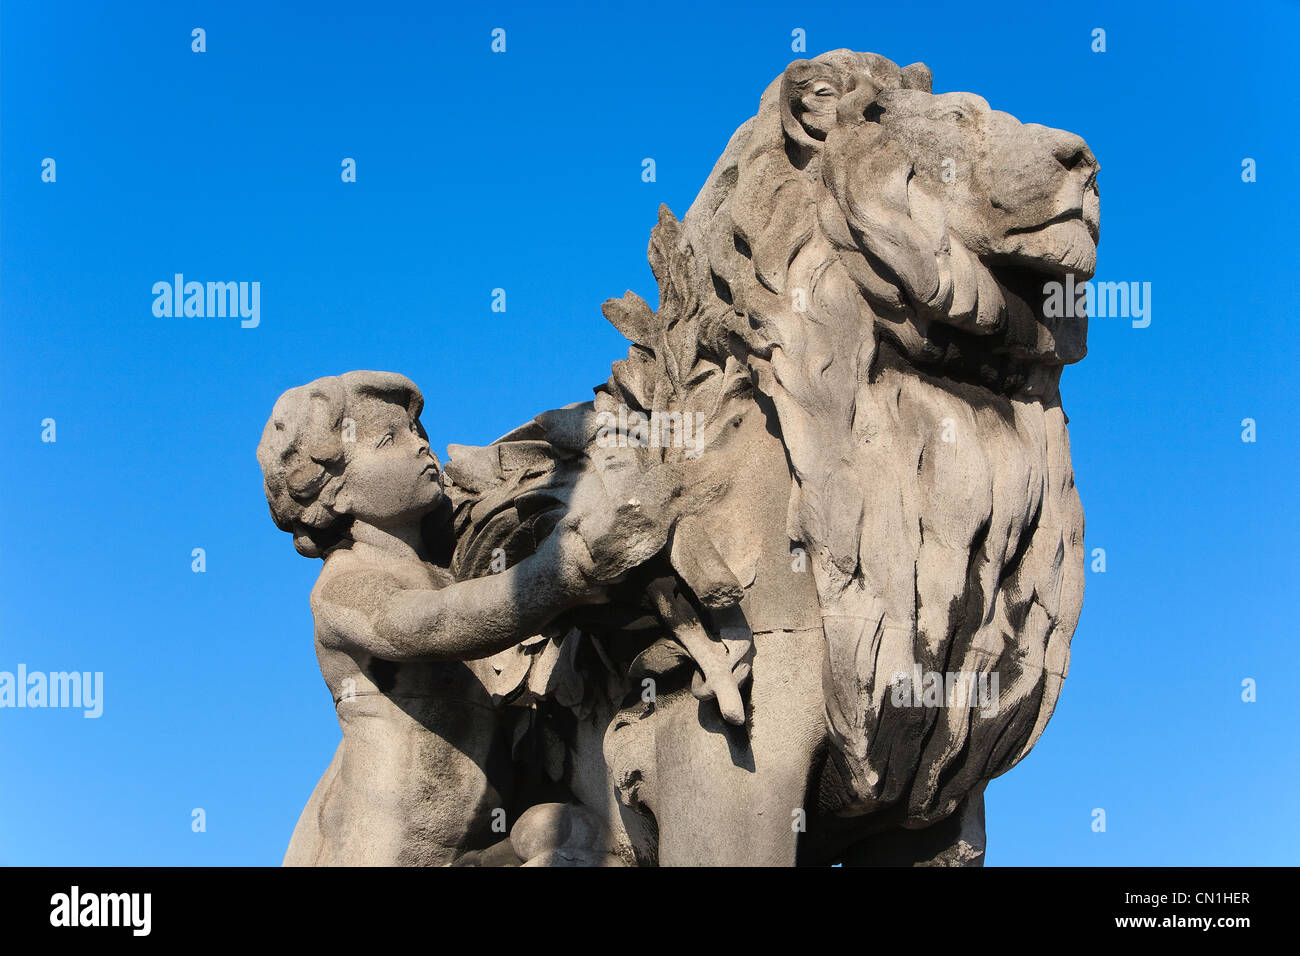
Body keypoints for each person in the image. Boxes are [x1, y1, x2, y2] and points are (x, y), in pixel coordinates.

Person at [256, 370, 661, 865]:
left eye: (418, 433)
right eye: (390, 439)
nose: (421, 447)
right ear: (336, 492)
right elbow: (435, 624)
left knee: (570, 833)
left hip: (473, 850)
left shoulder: (452, 576)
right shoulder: (345, 586)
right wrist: (560, 574)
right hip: (385, 856)